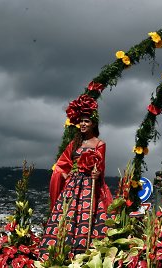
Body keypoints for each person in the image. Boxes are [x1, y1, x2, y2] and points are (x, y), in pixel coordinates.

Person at [39, 94, 113, 260]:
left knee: (88, 217)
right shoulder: (75, 143)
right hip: (72, 186)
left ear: (93, 124)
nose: (83, 124)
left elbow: (100, 165)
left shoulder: (100, 144)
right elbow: (62, 163)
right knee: (65, 217)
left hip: (90, 186)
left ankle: (84, 255)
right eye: (81, 121)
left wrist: (97, 172)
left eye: (86, 121)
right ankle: (60, 254)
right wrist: (65, 176)